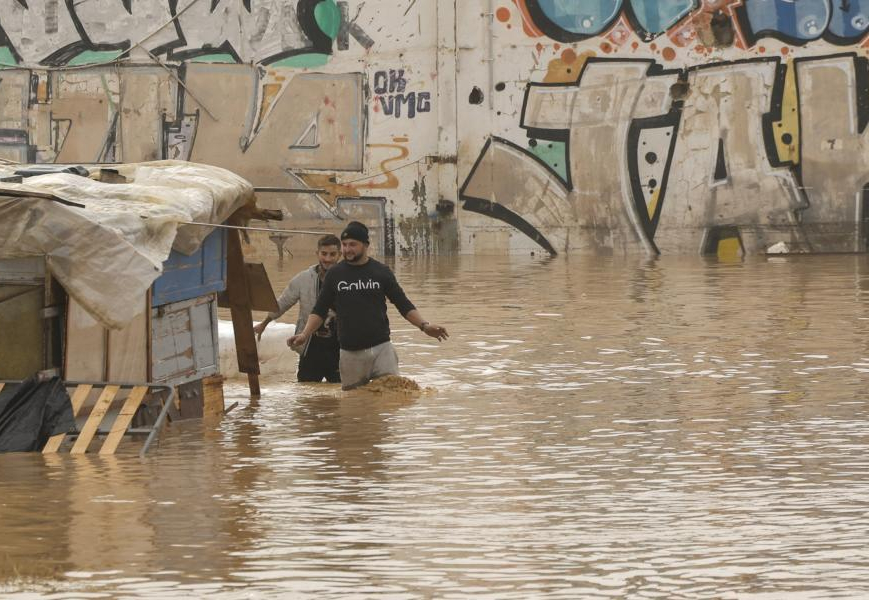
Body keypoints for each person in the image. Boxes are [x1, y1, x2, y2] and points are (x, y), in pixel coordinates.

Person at [288, 221, 448, 390]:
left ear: (366, 245)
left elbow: (403, 304)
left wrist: (424, 326)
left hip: (382, 349)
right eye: (344, 245)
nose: (347, 249)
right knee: (354, 406)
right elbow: (319, 311)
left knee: (392, 397)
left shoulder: (381, 272)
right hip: (350, 354)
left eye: (353, 245)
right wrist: (305, 334)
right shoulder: (335, 275)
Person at [254, 234, 341, 383]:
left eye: (332, 254)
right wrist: (264, 323)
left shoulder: (348, 279)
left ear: (339, 255)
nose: (327, 259)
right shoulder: (303, 279)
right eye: (324, 254)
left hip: (340, 347)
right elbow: (283, 303)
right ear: (317, 254)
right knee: (306, 395)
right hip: (310, 346)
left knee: (343, 394)